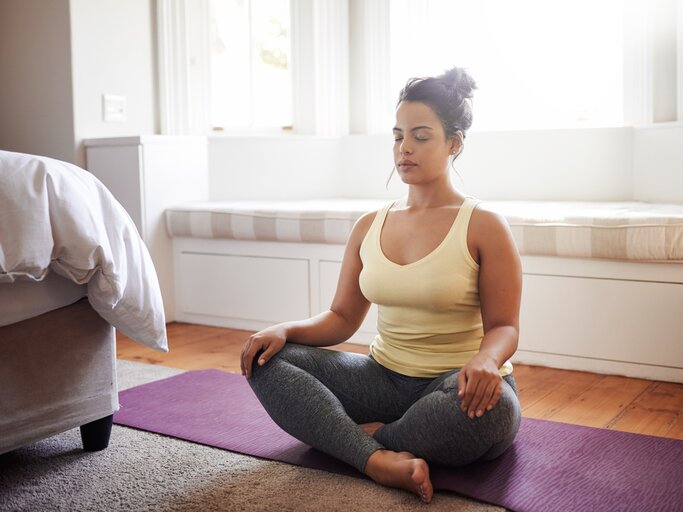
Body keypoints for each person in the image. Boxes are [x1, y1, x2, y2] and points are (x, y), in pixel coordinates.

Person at [240, 67, 522, 504]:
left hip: (456, 385)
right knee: (264, 361)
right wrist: (285, 330)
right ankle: (377, 459)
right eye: (397, 136)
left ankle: (356, 438)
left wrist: (487, 360)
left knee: (495, 412)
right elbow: (341, 319)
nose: (404, 148)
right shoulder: (369, 225)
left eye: (421, 136)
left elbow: (505, 326)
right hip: (381, 379)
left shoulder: (484, 225)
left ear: (454, 142)